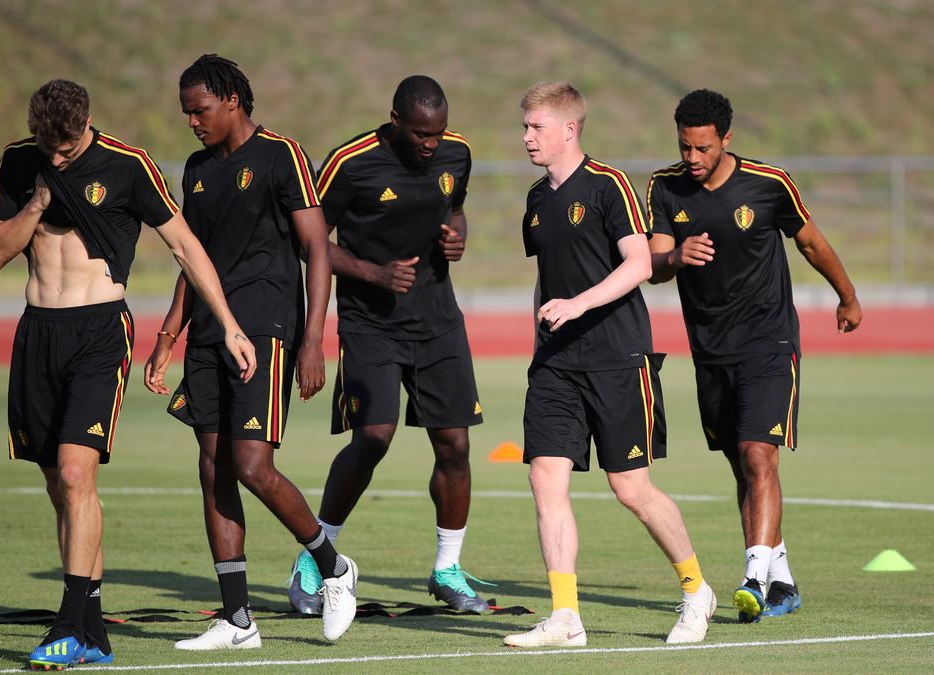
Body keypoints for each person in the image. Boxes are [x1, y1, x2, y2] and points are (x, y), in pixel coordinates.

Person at [0, 79, 257, 670]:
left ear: (87, 125)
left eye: (67, 150)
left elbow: (187, 248)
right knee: (61, 486)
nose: (56, 159)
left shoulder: (129, 166)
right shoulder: (19, 162)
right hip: (37, 332)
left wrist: (229, 324)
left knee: (79, 472)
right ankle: (94, 628)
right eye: (47, 149)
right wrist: (35, 201)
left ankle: (66, 623)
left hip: (100, 332)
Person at [141, 55, 359, 648]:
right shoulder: (196, 168)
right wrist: (166, 339)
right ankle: (237, 619)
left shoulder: (281, 155)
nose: (192, 122)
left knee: (252, 466)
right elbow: (193, 261)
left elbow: (317, 249)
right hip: (211, 333)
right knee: (214, 468)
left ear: (232, 100)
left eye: (200, 110)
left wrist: (313, 339)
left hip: (265, 330)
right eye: (186, 112)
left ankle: (334, 569)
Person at [503, 82, 716, 648]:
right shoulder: (535, 199)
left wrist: (577, 306)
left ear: (569, 129)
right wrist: (543, 330)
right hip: (554, 365)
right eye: (525, 127)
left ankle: (696, 591)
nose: (527, 137)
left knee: (631, 488)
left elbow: (641, 263)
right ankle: (566, 616)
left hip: (618, 359)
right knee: (544, 477)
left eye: (536, 127)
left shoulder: (608, 186)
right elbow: (548, 279)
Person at [647, 89, 862, 622]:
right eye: (685, 147)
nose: (692, 158)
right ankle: (781, 579)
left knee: (758, 455)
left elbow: (811, 243)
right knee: (740, 468)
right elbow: (654, 265)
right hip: (709, 351)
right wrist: (677, 253)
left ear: (726, 139)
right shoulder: (664, 187)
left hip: (769, 342)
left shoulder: (769, 184)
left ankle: (753, 578)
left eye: (702, 147)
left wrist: (848, 296)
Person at [286, 75, 489, 614]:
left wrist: (456, 235)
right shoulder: (350, 162)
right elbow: (311, 243)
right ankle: (315, 558)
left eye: (439, 134)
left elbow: (455, 208)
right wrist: (374, 275)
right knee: (374, 437)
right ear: (396, 121)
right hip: (369, 323)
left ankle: (448, 569)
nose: (432, 145)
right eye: (422, 135)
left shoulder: (457, 153)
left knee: (456, 445)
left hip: (439, 321)